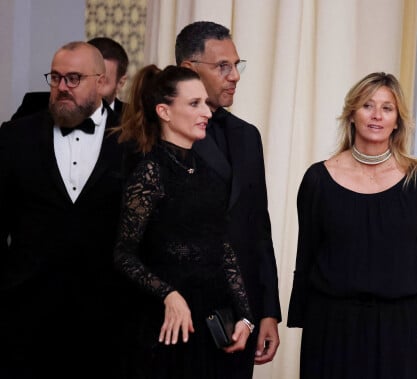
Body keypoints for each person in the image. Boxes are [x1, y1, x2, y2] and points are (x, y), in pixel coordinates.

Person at [287, 72, 417, 379]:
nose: (376, 115)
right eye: (367, 105)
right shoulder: (318, 179)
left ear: (398, 120)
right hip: (330, 325)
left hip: (395, 328)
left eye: (387, 108)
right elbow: (306, 252)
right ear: (351, 114)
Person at [112, 64, 255, 379]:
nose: (206, 111)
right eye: (194, 103)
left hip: (212, 321)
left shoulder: (209, 173)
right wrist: (169, 294)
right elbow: (123, 254)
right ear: (164, 111)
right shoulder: (150, 172)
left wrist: (246, 317)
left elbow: (223, 247)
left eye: (205, 102)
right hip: (165, 325)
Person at [0, 41, 127, 378]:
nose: (61, 88)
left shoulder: (136, 138)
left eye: (73, 78)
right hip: (25, 315)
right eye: (55, 78)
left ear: (101, 82)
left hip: (109, 316)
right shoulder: (15, 136)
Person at [175, 20, 282, 378]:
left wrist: (268, 311)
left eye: (237, 65)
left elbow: (258, 228)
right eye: (223, 66)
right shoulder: (158, 134)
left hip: (242, 316)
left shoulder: (247, 136)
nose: (235, 75)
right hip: (180, 315)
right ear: (188, 69)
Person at [10, 36, 129, 120]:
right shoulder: (33, 106)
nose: (63, 87)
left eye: (102, 82)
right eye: (73, 78)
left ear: (120, 82)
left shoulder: (135, 119)